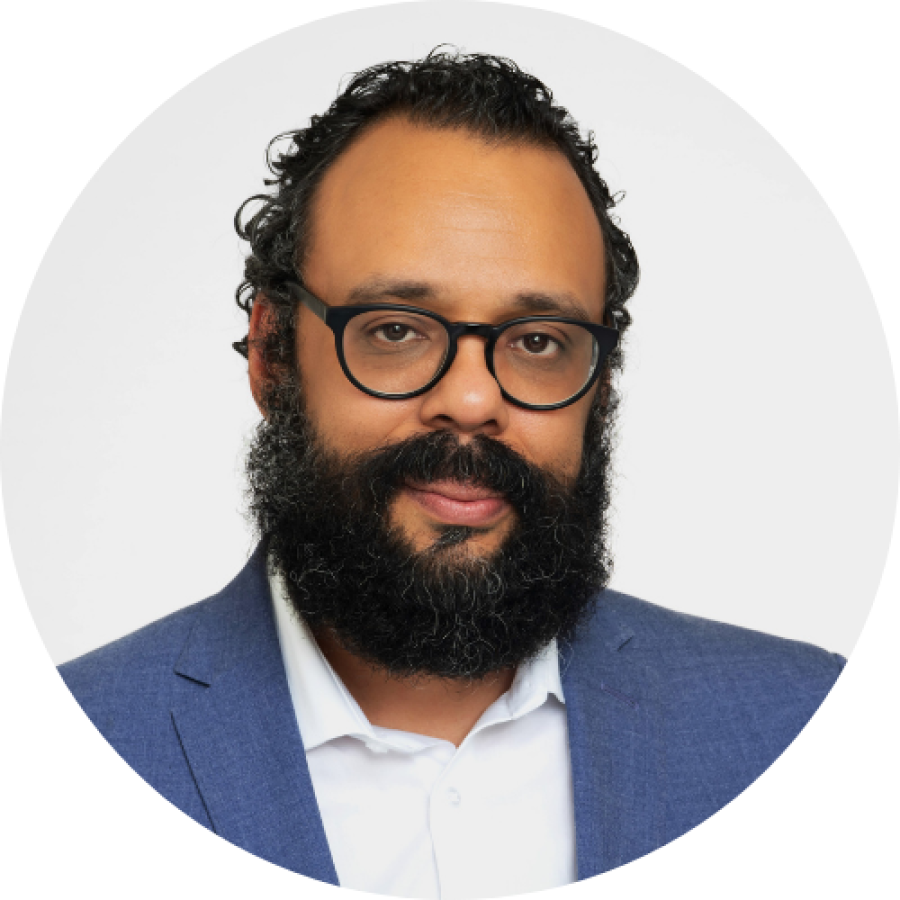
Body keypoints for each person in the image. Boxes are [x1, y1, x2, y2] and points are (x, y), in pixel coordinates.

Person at [57, 50, 845, 890]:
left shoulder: (793, 717)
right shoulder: (106, 724)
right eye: (395, 330)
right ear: (272, 355)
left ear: (602, 384)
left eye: (538, 341)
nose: (471, 400)